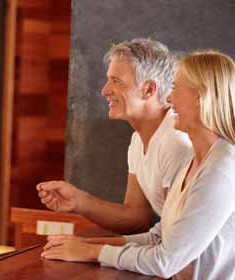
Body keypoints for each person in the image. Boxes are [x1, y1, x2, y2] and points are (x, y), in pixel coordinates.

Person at [42, 50, 235, 280]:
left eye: (175, 88)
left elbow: (166, 261)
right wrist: (86, 244)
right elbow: (160, 235)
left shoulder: (222, 168)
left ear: (202, 97)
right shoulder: (195, 162)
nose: (169, 98)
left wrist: (93, 252)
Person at [37, 38, 191, 234]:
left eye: (116, 81)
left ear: (148, 90)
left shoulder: (175, 142)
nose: (105, 90)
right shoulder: (138, 140)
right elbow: (136, 217)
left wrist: (94, 250)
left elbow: (177, 240)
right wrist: (80, 202)